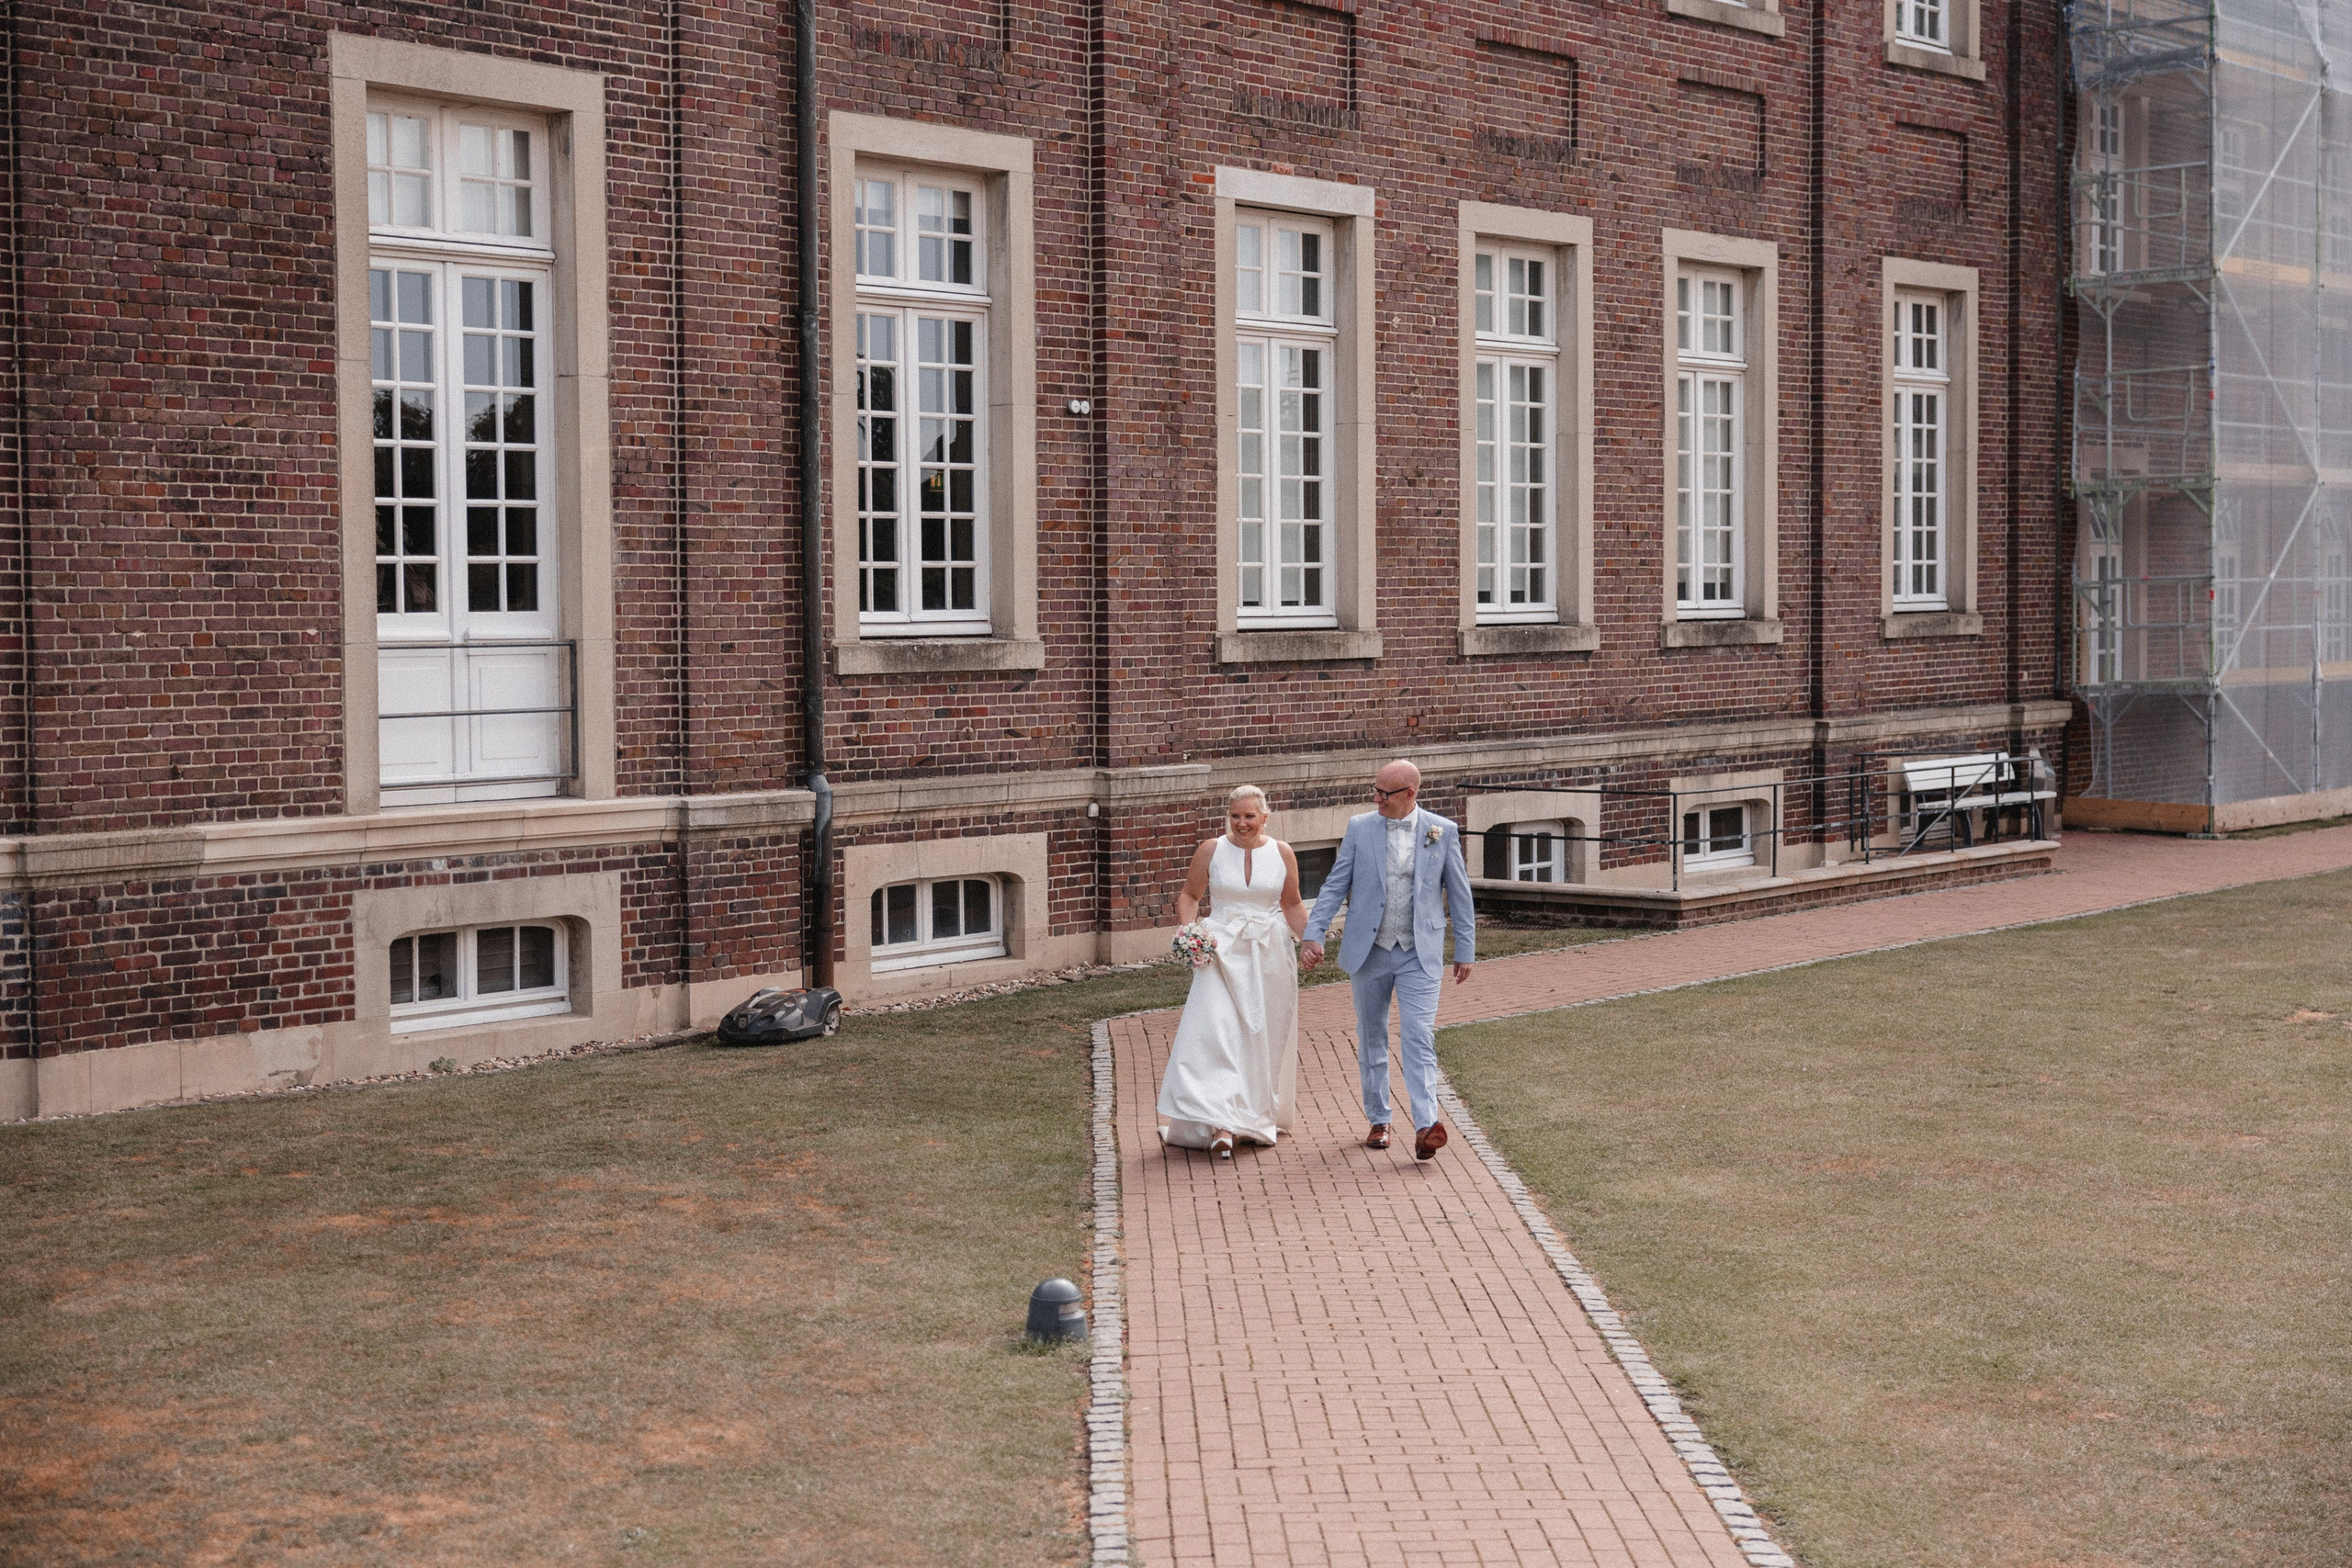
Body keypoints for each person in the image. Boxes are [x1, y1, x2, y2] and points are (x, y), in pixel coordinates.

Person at [1299, 760, 1476, 1161]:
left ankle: (1425, 1127)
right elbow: (1334, 885)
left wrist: (1465, 948)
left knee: (1418, 1036)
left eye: (1384, 792)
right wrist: (1314, 932)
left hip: (1420, 952)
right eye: (1375, 790)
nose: (1376, 798)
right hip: (1370, 951)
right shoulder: (1361, 828)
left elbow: (1459, 893)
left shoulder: (1441, 831)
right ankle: (1379, 1120)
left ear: (1409, 794)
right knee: (1372, 1037)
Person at [1157, 784, 1308, 1160]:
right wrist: (1189, 932)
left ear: (1265, 817)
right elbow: (1190, 895)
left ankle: (1251, 1119)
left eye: (1249, 816)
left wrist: (1311, 941)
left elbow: (1292, 904)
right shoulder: (1211, 849)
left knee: (1260, 1037)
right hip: (1219, 952)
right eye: (1235, 816)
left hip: (1269, 954)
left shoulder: (1282, 853)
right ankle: (1220, 1124)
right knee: (1216, 1033)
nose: (1242, 823)